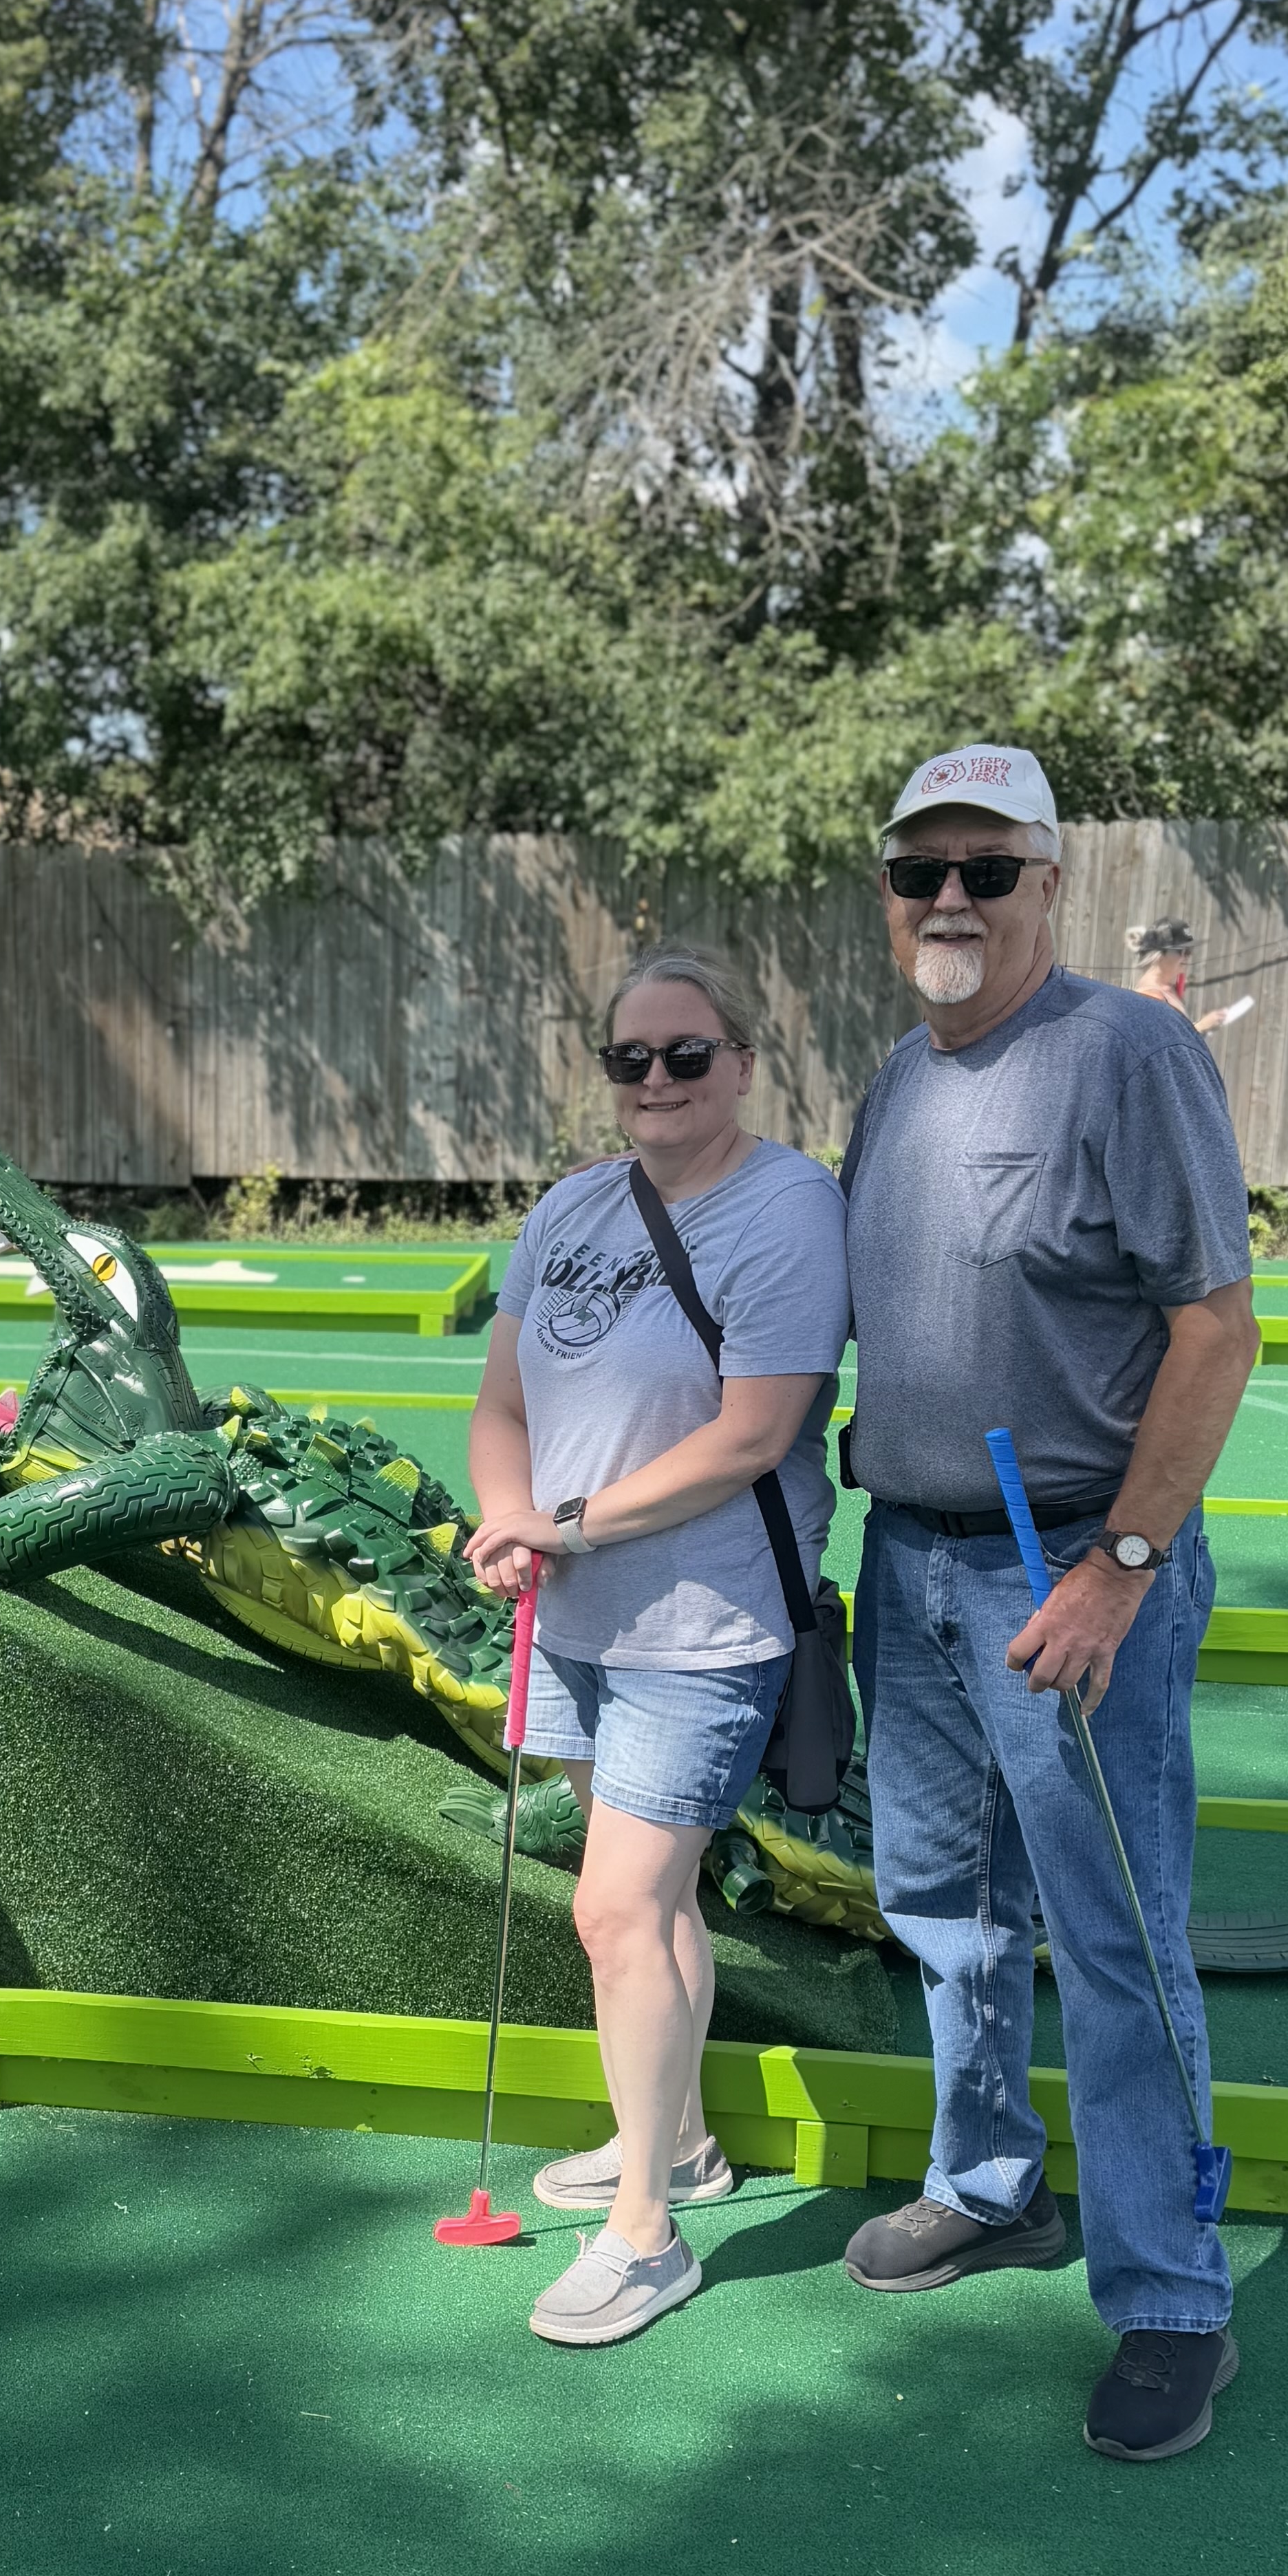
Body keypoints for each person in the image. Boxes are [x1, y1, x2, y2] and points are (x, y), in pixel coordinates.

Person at [839, 744, 1258, 2460]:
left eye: (985, 870)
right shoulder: (892, 1080)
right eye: (919, 870)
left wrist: (1121, 1570)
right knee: (942, 1899)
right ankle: (990, 2181)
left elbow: (1215, 1328)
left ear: (1049, 885)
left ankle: (1173, 2298)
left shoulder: (1127, 1051)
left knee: (1115, 1934)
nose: (949, 899)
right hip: (916, 1565)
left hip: (1067, 1567)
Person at [466, 947, 850, 2350]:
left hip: (705, 1619)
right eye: (631, 1059)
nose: (657, 1082)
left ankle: (645, 2236)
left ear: (743, 1062)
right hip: (568, 1610)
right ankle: (673, 2147)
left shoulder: (789, 1207)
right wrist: (511, 1515)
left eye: (688, 1055)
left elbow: (754, 1434)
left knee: (617, 1910)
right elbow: (503, 1394)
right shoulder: (572, 1205)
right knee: (656, 1903)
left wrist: (566, 1518)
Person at [1126, 920, 1236, 1037]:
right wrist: (1201, 1027)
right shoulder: (1151, 996)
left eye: (1189, 951)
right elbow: (1160, 1045)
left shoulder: (1167, 989)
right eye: (1181, 951)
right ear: (1159, 954)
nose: (1187, 957)